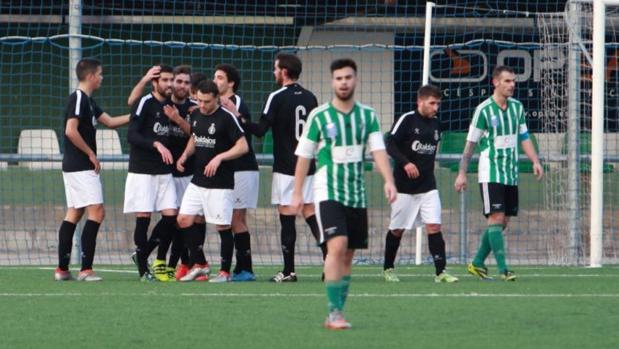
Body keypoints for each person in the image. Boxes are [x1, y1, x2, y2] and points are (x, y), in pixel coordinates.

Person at [291, 58, 397, 330]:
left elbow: (378, 151)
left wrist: (389, 180)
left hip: (357, 193)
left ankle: (337, 311)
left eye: (348, 77)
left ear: (355, 80)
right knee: (336, 247)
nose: (343, 82)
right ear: (332, 82)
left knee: (349, 255)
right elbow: (304, 156)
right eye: (338, 78)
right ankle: (333, 313)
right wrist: (297, 192)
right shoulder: (320, 116)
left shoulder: (367, 115)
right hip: (328, 191)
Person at [238, 53, 327, 282]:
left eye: (275, 68)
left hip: (287, 167)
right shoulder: (310, 97)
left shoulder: (276, 97)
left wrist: (238, 116)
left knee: (287, 217)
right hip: (308, 165)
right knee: (309, 212)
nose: (274, 72)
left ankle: (288, 271)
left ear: (284, 71)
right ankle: (331, 260)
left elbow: (259, 130)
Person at [454, 65, 544, 281]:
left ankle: (476, 263)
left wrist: (535, 161)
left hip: (510, 173)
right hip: (490, 171)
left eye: (513, 81)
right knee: (496, 217)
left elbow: (524, 137)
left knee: (503, 222)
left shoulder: (517, 108)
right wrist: (462, 173)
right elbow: (470, 145)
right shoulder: (483, 110)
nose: (512, 85)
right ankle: (503, 269)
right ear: (495, 83)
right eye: (507, 81)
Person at [55, 58, 130, 282]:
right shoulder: (78, 99)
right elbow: (71, 130)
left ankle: (62, 269)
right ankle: (86, 269)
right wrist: (90, 153)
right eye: (100, 74)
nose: (102, 78)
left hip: (75, 166)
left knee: (75, 213)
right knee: (97, 211)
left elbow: (111, 121)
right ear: (90, 76)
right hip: (80, 165)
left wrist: (138, 115)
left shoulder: (88, 101)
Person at [383, 85, 458, 283]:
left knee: (434, 226)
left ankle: (440, 272)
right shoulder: (407, 119)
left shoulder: (436, 125)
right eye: (432, 103)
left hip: (428, 187)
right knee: (397, 229)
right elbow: (389, 144)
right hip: (403, 188)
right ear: (420, 102)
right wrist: (406, 163)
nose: (436, 108)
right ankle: (388, 268)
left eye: (438, 104)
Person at [176, 80, 249, 281]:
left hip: (220, 183)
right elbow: (195, 137)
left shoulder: (227, 118)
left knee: (222, 227)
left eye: (206, 101)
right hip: (198, 181)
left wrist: (220, 157)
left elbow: (243, 146)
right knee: (183, 220)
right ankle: (200, 263)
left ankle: (225, 272)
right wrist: (185, 155)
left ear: (216, 98)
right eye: (199, 100)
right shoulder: (196, 114)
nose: (202, 105)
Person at [124, 64, 178, 281]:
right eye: (164, 80)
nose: (169, 84)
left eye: (170, 80)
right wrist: (156, 144)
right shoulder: (145, 103)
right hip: (143, 170)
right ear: (155, 82)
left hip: (164, 171)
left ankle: (142, 254)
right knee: (144, 216)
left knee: (171, 217)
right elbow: (132, 136)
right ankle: (143, 270)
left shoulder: (171, 107)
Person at [212, 63, 258, 282]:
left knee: (236, 219)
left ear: (231, 83)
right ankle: (238, 267)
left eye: (220, 77)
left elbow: (244, 131)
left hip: (243, 168)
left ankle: (245, 268)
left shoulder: (236, 103)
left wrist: (235, 113)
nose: (215, 81)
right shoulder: (213, 105)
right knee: (229, 218)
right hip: (228, 170)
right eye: (215, 77)